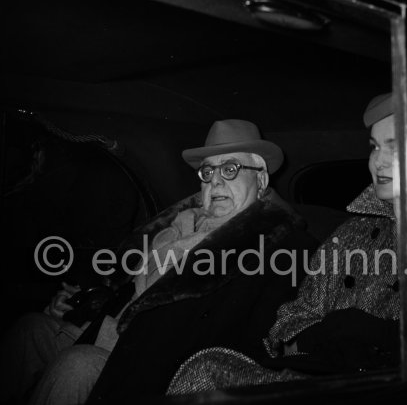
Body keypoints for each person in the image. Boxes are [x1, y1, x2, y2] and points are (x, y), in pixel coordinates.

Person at [166, 88, 407, 394]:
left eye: (395, 147)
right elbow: (290, 319)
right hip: (321, 378)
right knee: (207, 371)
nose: (378, 160)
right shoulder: (349, 235)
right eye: (375, 146)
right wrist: (319, 336)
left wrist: (390, 339)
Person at [0, 120, 317, 404]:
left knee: (76, 367)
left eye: (230, 169)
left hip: (158, 362)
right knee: (29, 330)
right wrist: (81, 303)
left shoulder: (275, 245)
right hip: (108, 330)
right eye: (208, 171)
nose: (215, 182)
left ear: (261, 180)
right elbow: (126, 286)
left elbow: (257, 345)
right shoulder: (177, 224)